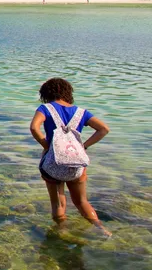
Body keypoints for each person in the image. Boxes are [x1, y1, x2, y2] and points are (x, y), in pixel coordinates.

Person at [29, 78, 111, 236]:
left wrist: (46, 145)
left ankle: (62, 231)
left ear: (46, 94)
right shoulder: (81, 112)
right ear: (68, 92)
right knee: (82, 201)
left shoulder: (45, 108)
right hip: (76, 164)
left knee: (58, 203)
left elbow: (34, 127)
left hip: (53, 164)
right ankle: (102, 230)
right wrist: (83, 146)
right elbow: (103, 129)